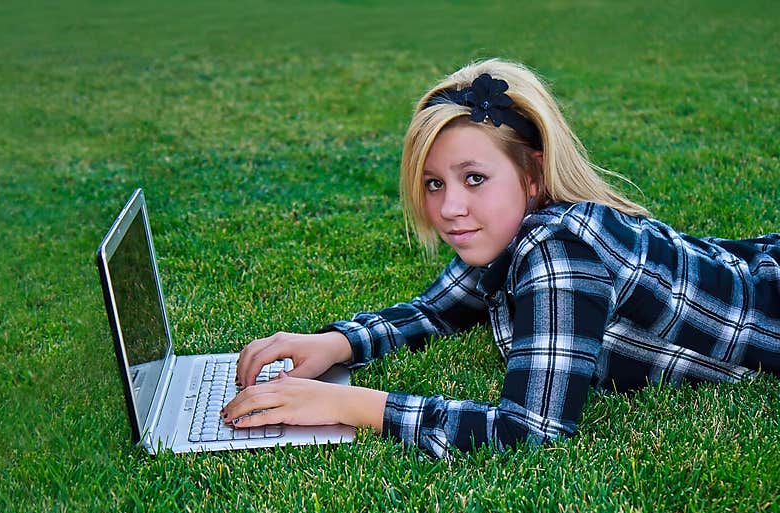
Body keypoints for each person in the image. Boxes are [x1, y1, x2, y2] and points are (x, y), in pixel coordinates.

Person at [220, 58, 780, 459]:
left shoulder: (560, 251)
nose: (451, 208)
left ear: (531, 176)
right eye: (434, 183)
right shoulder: (501, 227)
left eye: (474, 179)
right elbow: (440, 310)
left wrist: (349, 405)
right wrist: (336, 344)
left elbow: (530, 431)